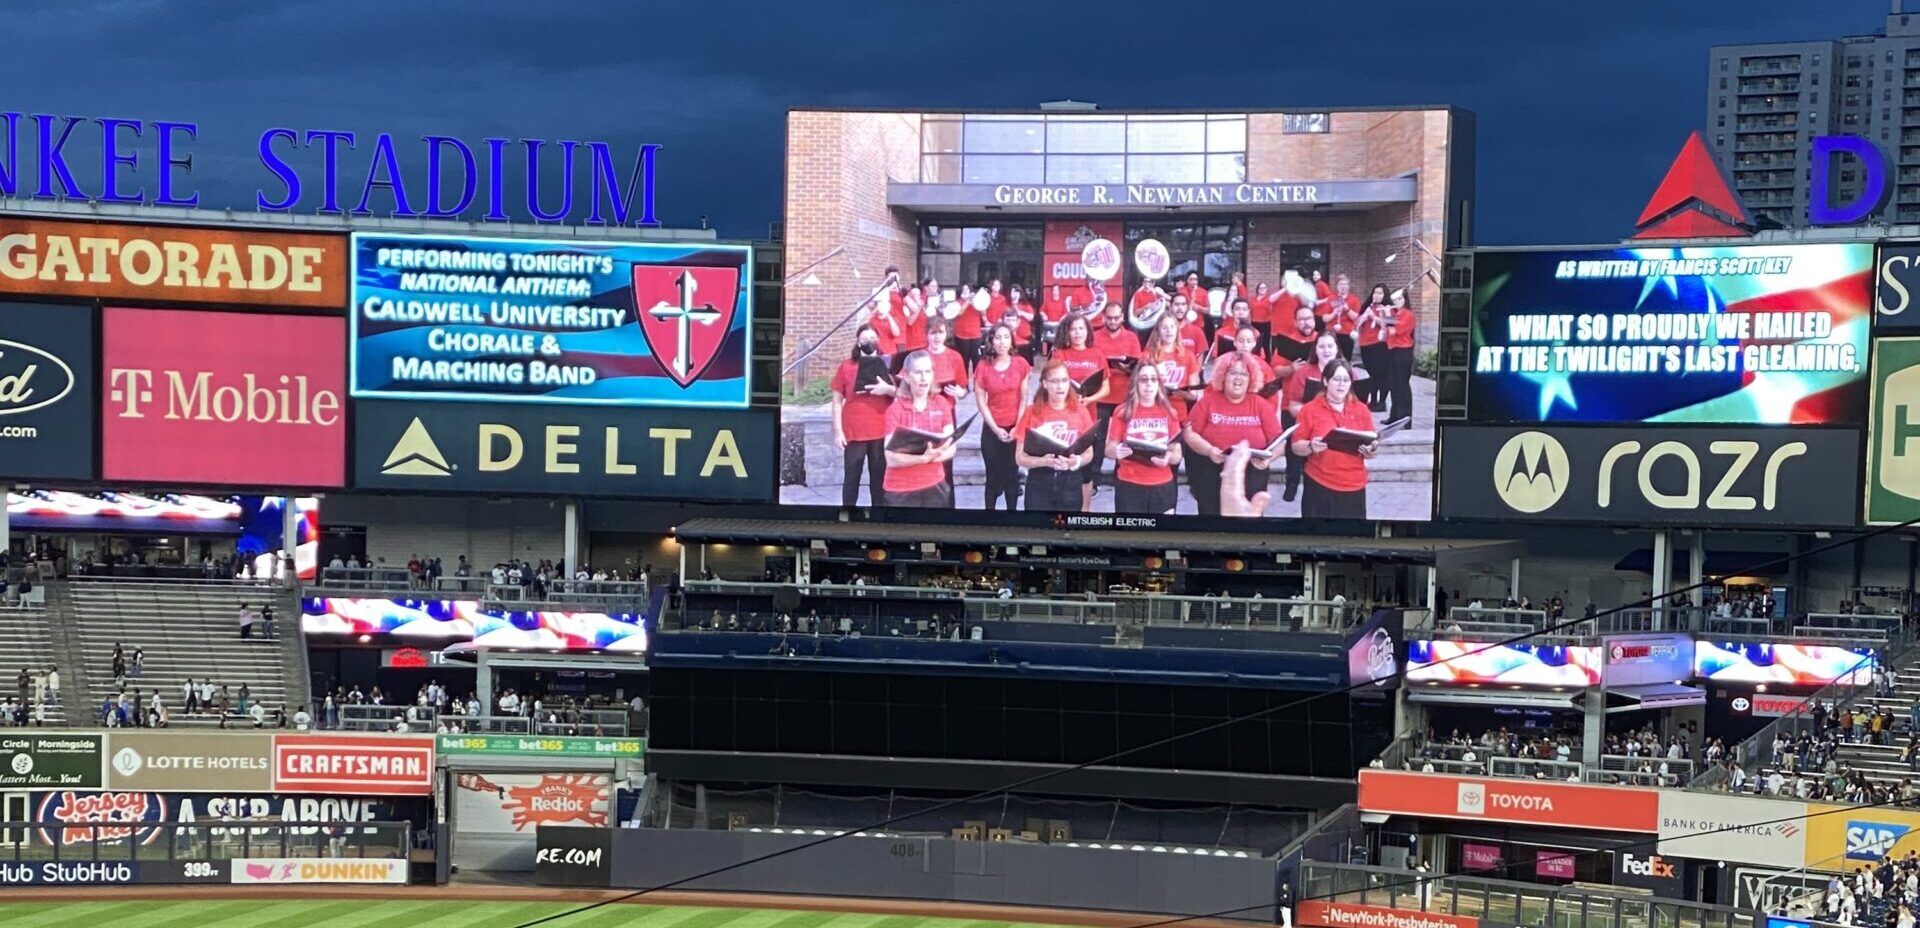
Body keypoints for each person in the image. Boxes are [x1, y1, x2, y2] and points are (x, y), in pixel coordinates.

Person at [1184, 351, 1285, 517]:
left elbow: (1279, 441)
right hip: (1212, 473)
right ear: (1223, 376)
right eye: (1233, 372)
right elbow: (1189, 434)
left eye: (1244, 374)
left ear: (1251, 379)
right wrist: (1209, 450)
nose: (1239, 378)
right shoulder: (1207, 401)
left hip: (1252, 474)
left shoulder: (1260, 404)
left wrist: (1270, 457)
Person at [1290, 358, 1378, 519]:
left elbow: (1371, 441)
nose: (1341, 384)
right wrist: (1310, 445)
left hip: (1354, 485)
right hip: (1319, 484)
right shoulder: (1309, 410)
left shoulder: (1362, 409)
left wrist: (1370, 450)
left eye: (1346, 380)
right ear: (1325, 381)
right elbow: (1296, 446)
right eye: (1336, 379)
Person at [1281, 334, 1362, 503]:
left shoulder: (1349, 373)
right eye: (1322, 346)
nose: (1326, 350)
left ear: (1337, 349)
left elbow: (1357, 405)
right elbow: (1293, 405)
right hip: (1309, 425)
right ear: (1315, 350)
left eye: (1330, 346)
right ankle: (1293, 484)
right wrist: (1315, 411)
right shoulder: (1304, 372)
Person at [1014, 359, 1097, 512]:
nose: (1060, 386)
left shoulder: (1080, 411)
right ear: (1045, 384)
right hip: (1039, 483)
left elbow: (1089, 452)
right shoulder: (1032, 412)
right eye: (1054, 381)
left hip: (1070, 483)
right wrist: (1043, 461)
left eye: (1064, 381)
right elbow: (1019, 457)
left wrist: (1076, 461)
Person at [880, 351, 958, 508]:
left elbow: (951, 447)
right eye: (918, 372)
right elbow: (890, 458)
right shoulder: (895, 410)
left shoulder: (941, 403)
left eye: (928, 371)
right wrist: (923, 459)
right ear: (907, 377)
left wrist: (928, 457)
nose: (924, 377)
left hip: (935, 485)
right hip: (901, 490)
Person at [1106, 363, 1185, 515]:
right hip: (1130, 484)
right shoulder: (1123, 411)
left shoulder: (1169, 412)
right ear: (1136, 383)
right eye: (1143, 379)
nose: (1149, 384)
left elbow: (1177, 456)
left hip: (1162, 484)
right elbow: (1109, 450)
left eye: (1153, 379)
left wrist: (1168, 457)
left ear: (1159, 384)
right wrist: (1117, 451)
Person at [830, 324, 892, 507]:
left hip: (880, 429)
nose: (869, 342)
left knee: (879, 480)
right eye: (865, 338)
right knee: (852, 477)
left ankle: (879, 519)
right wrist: (837, 431)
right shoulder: (846, 366)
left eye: (873, 338)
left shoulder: (887, 364)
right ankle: (847, 517)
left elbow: (902, 393)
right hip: (854, 430)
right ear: (858, 342)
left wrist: (887, 388)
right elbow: (836, 402)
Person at [1088, 301, 1142, 508]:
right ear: (1103, 317)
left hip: (1124, 396)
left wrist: (1127, 367)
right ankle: (1095, 478)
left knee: (1124, 439)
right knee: (1098, 438)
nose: (1112, 321)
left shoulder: (1131, 337)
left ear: (1122, 318)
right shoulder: (1095, 337)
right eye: (1109, 318)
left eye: (1116, 318)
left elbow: (1137, 367)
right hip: (1102, 395)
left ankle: (1122, 475)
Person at [1051, 314, 1110, 506]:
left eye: (1081, 329)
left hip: (1087, 417)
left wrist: (1089, 399)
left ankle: (1085, 511)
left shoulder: (1097, 354)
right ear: (1067, 331)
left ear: (1088, 332)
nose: (1078, 333)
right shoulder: (1060, 353)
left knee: (1086, 469)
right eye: (1074, 329)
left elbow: (1106, 387)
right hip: (1062, 416)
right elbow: (1049, 383)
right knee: (1061, 464)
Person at [973, 323, 1032, 511]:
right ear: (991, 340)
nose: (1002, 342)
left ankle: (1011, 519)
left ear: (1011, 340)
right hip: (992, 429)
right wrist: (996, 429)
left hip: (1015, 427)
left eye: (1006, 337)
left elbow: (1024, 398)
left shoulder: (1021, 364)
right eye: (998, 337)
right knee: (992, 478)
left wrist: (1017, 427)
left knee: (1011, 477)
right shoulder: (983, 366)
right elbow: (981, 401)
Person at [1143, 312, 1202, 418]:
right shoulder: (1147, 355)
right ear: (1158, 331)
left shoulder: (1188, 356)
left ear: (1177, 330)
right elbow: (1139, 387)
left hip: (1178, 412)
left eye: (1172, 327)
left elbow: (1194, 395)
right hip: (1153, 410)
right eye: (1164, 327)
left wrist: (1183, 393)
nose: (1169, 330)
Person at [1382, 288, 1417, 425]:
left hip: (1403, 352)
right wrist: (1386, 316)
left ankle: (1405, 419)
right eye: (1395, 300)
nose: (1397, 302)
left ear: (1405, 299)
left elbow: (1392, 330)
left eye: (1400, 299)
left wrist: (1386, 316)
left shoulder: (1408, 314)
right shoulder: (1396, 313)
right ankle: (1395, 416)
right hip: (1393, 350)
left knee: (1402, 385)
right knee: (1393, 384)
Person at [1355, 284, 1392, 412]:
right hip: (1365, 344)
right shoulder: (1368, 307)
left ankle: (1382, 402)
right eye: (1375, 293)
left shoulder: (1388, 309)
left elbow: (1387, 325)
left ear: (1385, 295)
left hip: (1379, 345)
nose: (1377, 295)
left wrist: (1374, 317)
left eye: (1380, 293)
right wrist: (1363, 317)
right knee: (1372, 375)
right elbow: (1358, 324)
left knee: (1381, 374)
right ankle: (1373, 400)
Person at [1321, 274, 1361, 360]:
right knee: (1331, 359)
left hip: (1347, 334)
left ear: (1348, 286)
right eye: (1340, 284)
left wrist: (1347, 309)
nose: (1343, 286)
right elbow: (1324, 318)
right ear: (1337, 286)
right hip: (1332, 333)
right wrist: (1334, 313)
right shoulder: (1331, 299)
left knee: (1346, 359)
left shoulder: (1354, 299)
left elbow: (1356, 318)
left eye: (1345, 284)